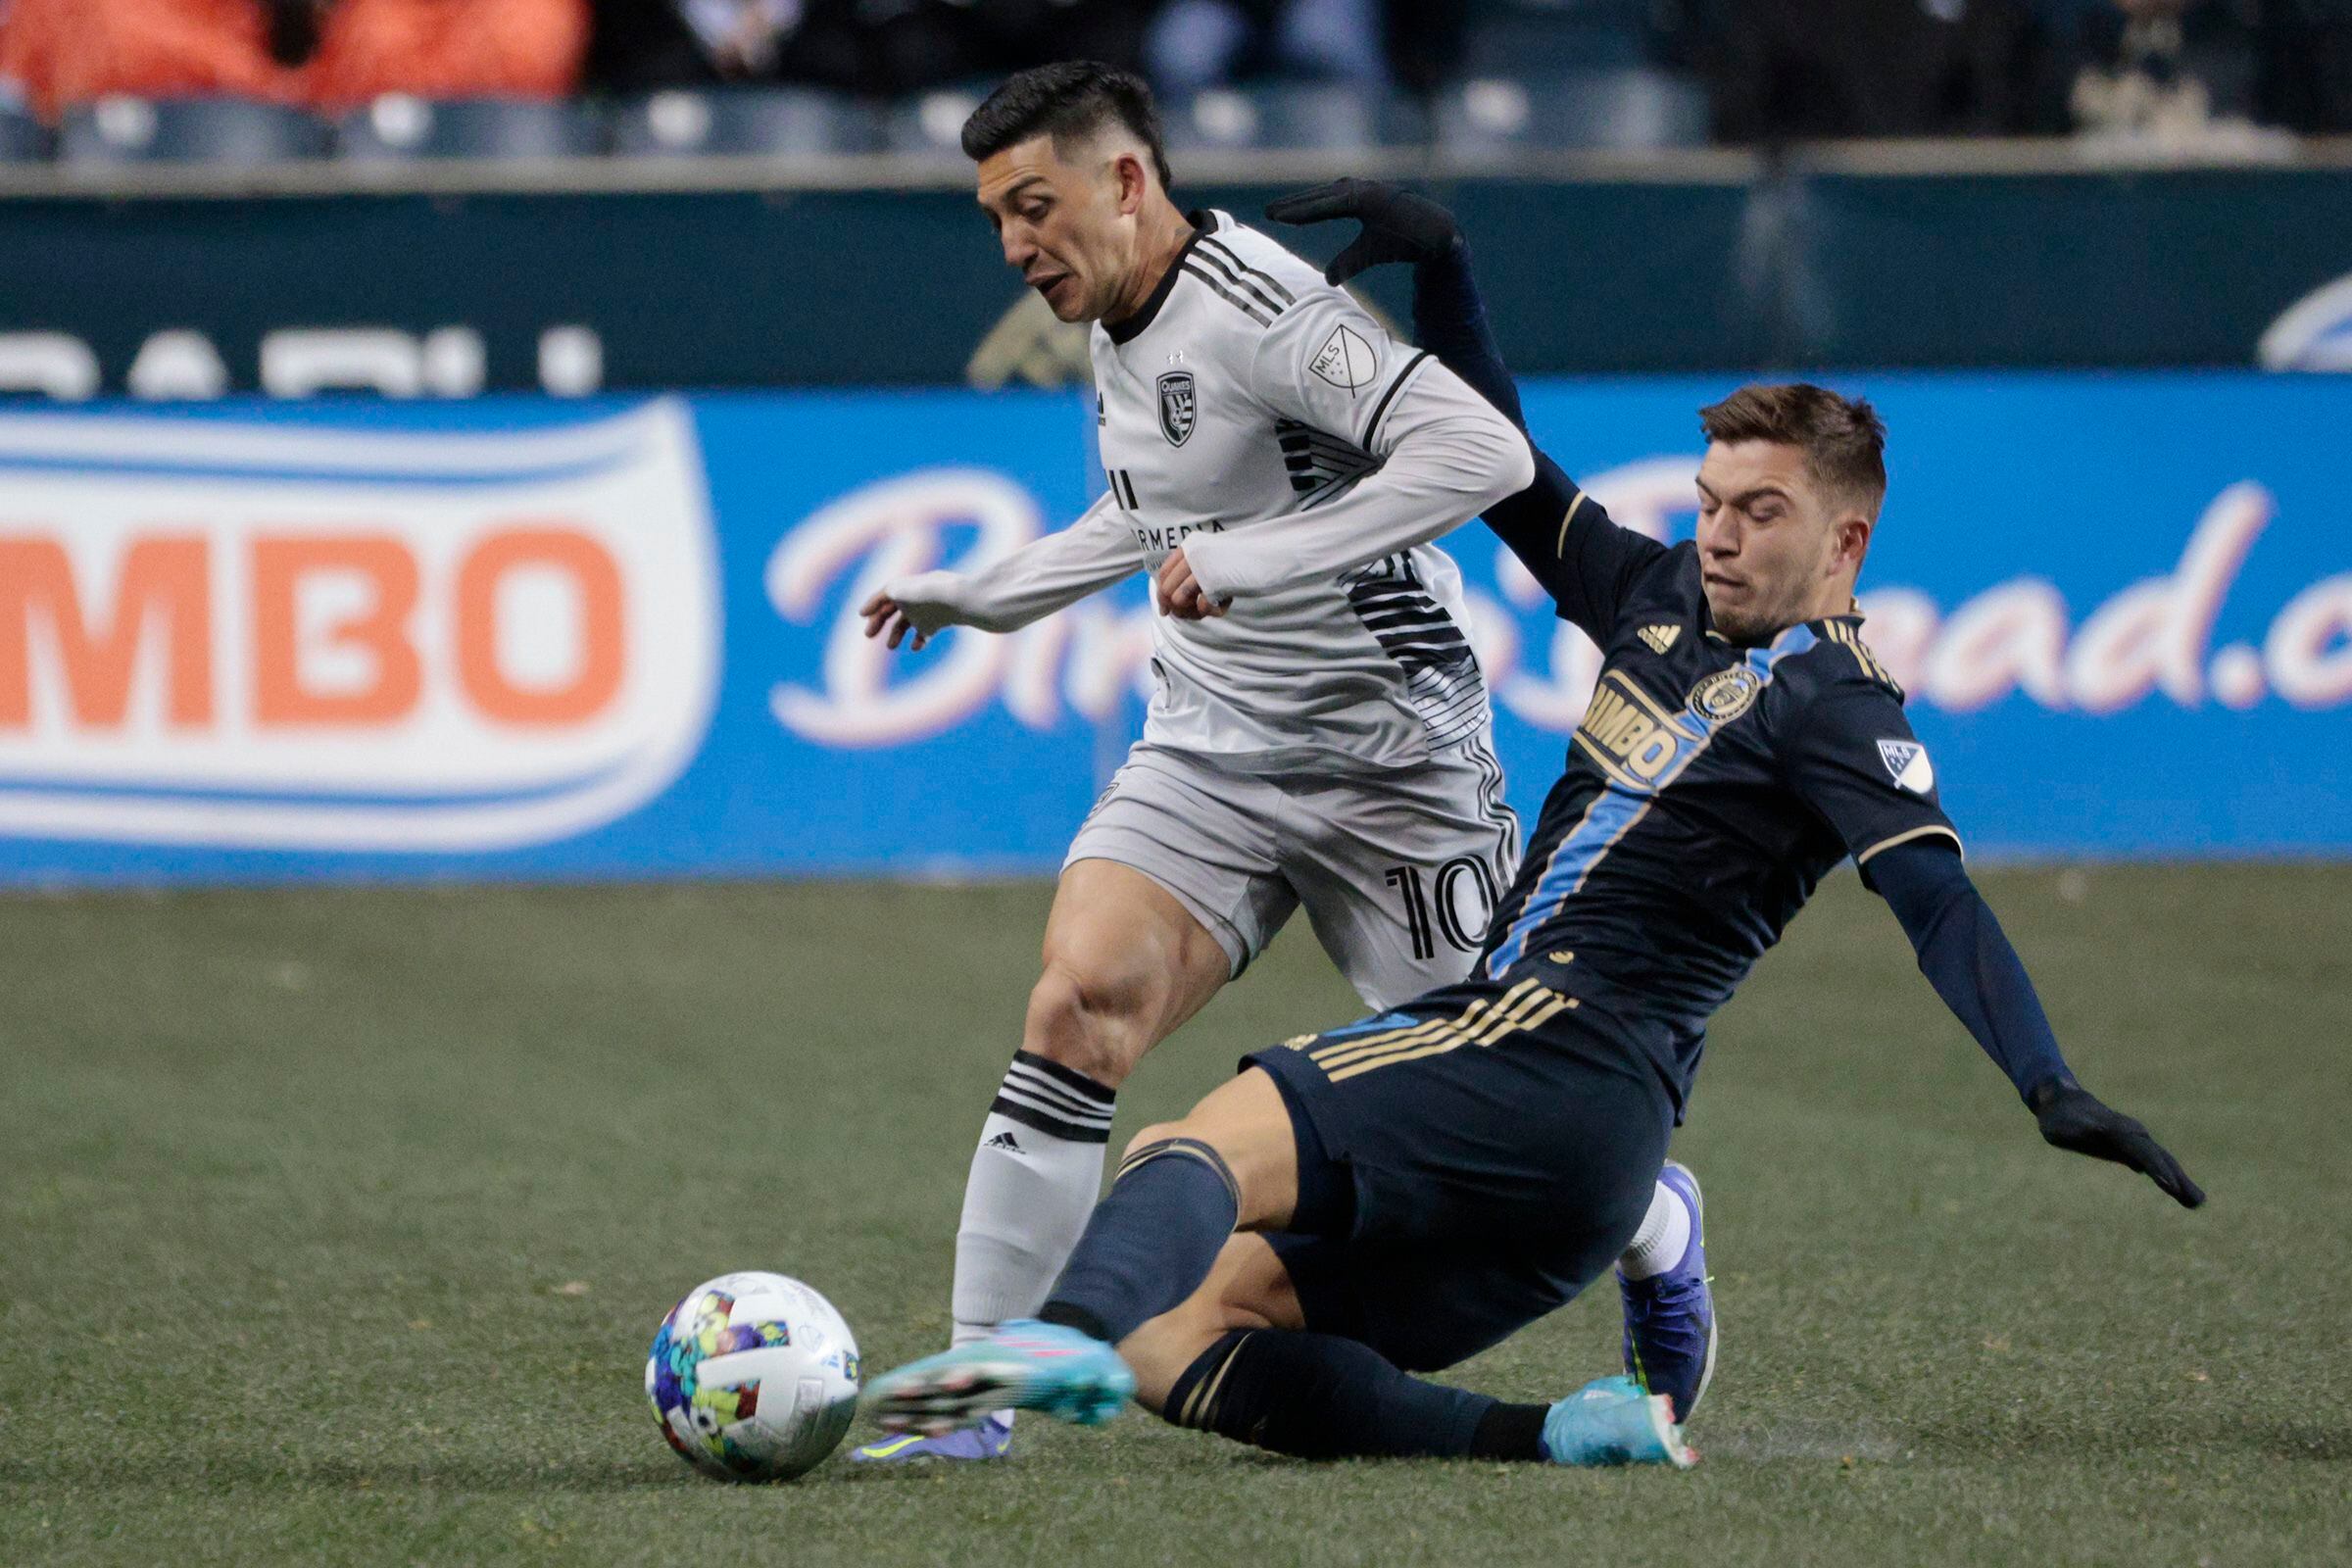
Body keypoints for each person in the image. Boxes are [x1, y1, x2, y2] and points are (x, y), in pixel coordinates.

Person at [863, 180, 2206, 1468]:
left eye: (1763, 513)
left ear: (1848, 543)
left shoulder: (1839, 711)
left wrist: (2048, 1085)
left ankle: (1050, 1344)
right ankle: (1557, 1431)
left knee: (1186, 1149)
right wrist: (1442, 261)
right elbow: (1503, 463)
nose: (1723, 537)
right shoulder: (1660, 597)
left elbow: (1938, 900)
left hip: (1557, 1060)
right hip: (1559, 1139)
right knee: (1185, 1338)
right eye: (1711, 503)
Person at [848, 67, 1714, 1461]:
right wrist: (985, 593)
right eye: (996, 218)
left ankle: (1654, 1223)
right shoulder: (1112, 317)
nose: (1014, 246)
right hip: (1211, 748)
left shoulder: (1266, 310)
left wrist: (1255, 559)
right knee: (1077, 1004)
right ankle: (977, 1404)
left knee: (1510, 1108)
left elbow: (1481, 451)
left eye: (1033, 206)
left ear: (1127, 182)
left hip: (1396, 768)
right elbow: (1150, 516)